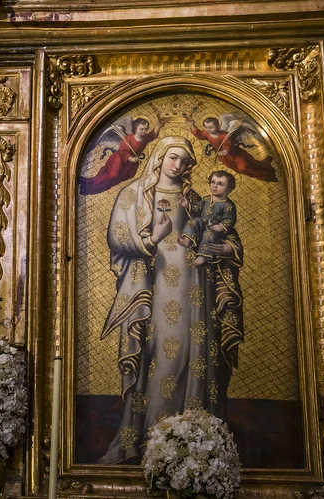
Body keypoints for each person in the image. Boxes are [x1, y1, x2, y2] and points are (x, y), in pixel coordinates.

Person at [99, 136, 245, 464]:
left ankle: (195, 442)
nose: (178, 165)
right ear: (160, 158)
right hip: (158, 280)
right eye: (173, 158)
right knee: (163, 353)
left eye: (184, 161)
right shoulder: (135, 194)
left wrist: (228, 249)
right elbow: (119, 235)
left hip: (198, 283)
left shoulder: (196, 198)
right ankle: (153, 437)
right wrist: (154, 237)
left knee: (196, 353)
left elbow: (223, 233)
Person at [79, 118, 164, 195]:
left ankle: (86, 183)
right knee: (112, 176)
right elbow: (123, 151)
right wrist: (131, 158)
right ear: (135, 129)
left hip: (129, 166)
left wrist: (158, 126)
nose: (144, 131)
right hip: (119, 160)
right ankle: (88, 188)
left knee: (114, 180)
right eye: (141, 129)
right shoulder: (128, 138)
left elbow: (152, 135)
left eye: (146, 129)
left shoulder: (144, 138)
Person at [187, 116, 277, 182]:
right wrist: (192, 125)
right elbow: (199, 134)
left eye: (211, 127)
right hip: (225, 158)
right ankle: (262, 172)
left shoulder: (224, 135)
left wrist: (225, 151)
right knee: (239, 170)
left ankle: (265, 175)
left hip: (236, 154)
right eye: (206, 127)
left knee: (243, 167)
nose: (209, 129)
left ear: (218, 126)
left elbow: (227, 145)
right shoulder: (207, 134)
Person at [178, 170, 238, 267]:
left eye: (220, 184)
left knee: (209, 233)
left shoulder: (228, 205)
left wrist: (221, 226)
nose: (215, 186)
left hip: (216, 233)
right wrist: (187, 205)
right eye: (213, 182)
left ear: (229, 189)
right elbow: (197, 208)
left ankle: (202, 257)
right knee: (194, 221)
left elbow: (229, 220)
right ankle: (187, 240)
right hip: (202, 227)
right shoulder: (206, 199)